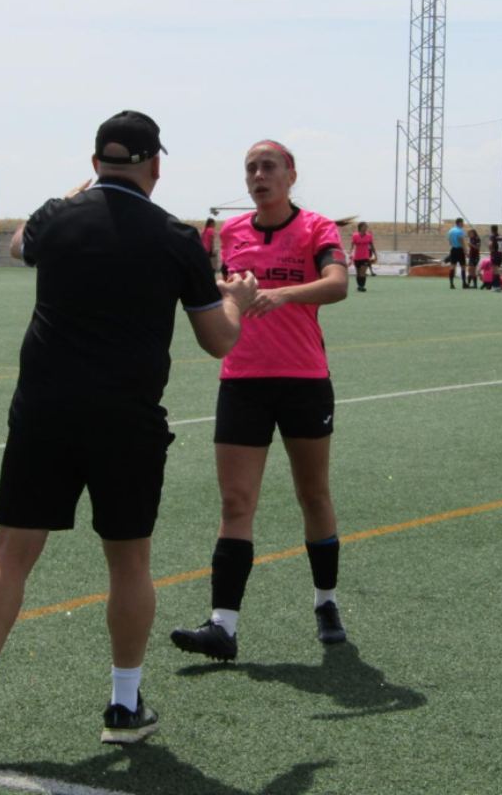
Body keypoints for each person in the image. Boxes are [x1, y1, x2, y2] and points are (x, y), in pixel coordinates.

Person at [0, 110, 258, 750]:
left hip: (44, 413)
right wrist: (238, 299)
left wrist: (79, 190)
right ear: (157, 165)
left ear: (96, 162)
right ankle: (123, 707)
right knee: (128, 563)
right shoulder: (175, 237)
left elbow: (22, 243)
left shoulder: (58, 218)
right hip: (126, 421)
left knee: (11, 552)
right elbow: (219, 341)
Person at [169, 138, 350, 663]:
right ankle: (222, 626)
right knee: (235, 502)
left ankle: (326, 601)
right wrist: (231, 292)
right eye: (251, 168)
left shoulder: (316, 227)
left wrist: (280, 295)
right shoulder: (232, 232)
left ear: (291, 174)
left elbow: (338, 284)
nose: (258, 175)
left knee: (312, 495)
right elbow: (225, 292)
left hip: (303, 379)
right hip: (242, 380)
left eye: (269, 166)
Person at [349, 221, 377, 292]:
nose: (366, 228)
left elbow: (372, 245)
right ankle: (359, 286)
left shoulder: (369, 236)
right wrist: (350, 253)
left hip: (365, 257)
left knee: (363, 272)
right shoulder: (355, 236)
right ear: (360, 227)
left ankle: (362, 286)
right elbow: (352, 246)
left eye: (366, 227)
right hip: (356, 257)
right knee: (358, 273)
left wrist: (375, 254)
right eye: (364, 226)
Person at [446, 217, 467, 289]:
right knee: (463, 267)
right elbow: (461, 240)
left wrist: (453, 244)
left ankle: (451, 284)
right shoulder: (460, 231)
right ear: (459, 223)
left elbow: (449, 240)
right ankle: (464, 283)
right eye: (462, 222)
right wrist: (465, 250)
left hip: (453, 249)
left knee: (452, 266)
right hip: (460, 250)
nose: (463, 224)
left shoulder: (450, 230)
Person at [487, 225, 502, 292]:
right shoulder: (501, 236)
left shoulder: (492, 236)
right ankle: (496, 286)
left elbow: (490, 244)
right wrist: (501, 250)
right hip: (500, 254)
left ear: (492, 229)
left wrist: (491, 250)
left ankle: (496, 286)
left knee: (495, 270)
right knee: (496, 270)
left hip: (495, 254)